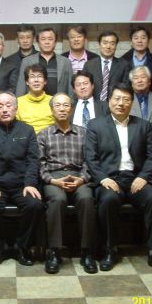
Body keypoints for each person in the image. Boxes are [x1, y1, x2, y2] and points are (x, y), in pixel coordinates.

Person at [85, 83, 152, 275]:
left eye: (126, 99)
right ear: (109, 101)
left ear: (132, 103)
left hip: (135, 178)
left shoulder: (143, 125)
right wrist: (103, 179)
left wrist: (144, 177)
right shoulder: (96, 125)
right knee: (108, 200)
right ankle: (110, 250)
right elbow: (91, 158)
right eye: (117, 99)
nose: (120, 103)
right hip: (110, 179)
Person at [0, 92, 44, 266]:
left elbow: (33, 160)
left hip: (22, 184)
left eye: (8, 105)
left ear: (16, 108)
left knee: (35, 205)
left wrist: (30, 183)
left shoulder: (27, 130)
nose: (5, 109)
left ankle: (22, 247)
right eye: (0, 106)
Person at [38, 93, 97, 274]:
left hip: (79, 176)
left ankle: (87, 251)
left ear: (71, 109)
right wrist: (52, 180)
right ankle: (54, 251)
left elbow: (90, 160)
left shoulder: (84, 133)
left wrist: (82, 178)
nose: (62, 109)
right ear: (51, 109)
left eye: (66, 105)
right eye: (58, 105)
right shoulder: (43, 134)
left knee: (86, 199)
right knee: (57, 200)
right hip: (54, 178)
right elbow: (39, 164)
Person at [16, 27, 73, 97]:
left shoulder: (66, 62)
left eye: (50, 39)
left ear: (55, 42)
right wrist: (18, 102)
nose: (47, 42)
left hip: (59, 102)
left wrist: (71, 102)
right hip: (34, 102)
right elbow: (21, 86)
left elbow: (70, 88)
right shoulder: (27, 61)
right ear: (38, 42)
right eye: (43, 39)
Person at [82, 30, 129, 101]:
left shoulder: (123, 65)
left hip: (115, 104)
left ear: (116, 46)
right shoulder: (89, 65)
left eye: (112, 43)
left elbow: (125, 89)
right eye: (105, 43)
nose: (108, 46)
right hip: (94, 104)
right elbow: (84, 87)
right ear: (99, 45)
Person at [16, 64, 54, 134]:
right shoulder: (18, 102)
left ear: (45, 81)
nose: (36, 80)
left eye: (39, 76)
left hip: (49, 138)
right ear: (27, 82)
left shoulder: (54, 101)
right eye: (32, 76)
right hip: (26, 138)